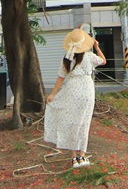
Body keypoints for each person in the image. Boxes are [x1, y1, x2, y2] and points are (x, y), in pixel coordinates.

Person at [43, 25, 106, 168]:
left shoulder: (66, 58)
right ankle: (82, 157)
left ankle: (73, 158)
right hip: (87, 89)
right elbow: (103, 61)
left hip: (72, 89)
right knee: (84, 123)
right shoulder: (89, 56)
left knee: (73, 122)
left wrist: (53, 94)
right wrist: (97, 47)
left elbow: (61, 78)